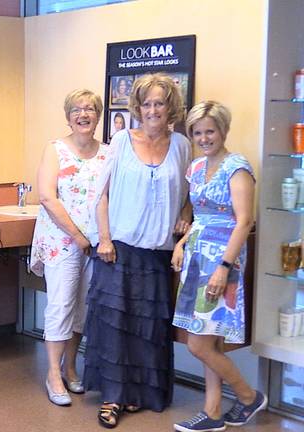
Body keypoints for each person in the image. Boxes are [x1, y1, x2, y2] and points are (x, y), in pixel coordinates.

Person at [84, 73, 192, 428]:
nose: (152, 110)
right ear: (137, 107)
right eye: (146, 103)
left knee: (148, 329)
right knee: (114, 327)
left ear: (170, 106)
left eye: (159, 103)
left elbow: (189, 198)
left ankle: (140, 395)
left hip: (157, 253)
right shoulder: (120, 141)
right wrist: (103, 239)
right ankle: (113, 397)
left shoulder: (181, 146)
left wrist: (184, 218)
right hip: (118, 249)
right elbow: (102, 195)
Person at [171, 101, 265, 432]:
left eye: (210, 130)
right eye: (198, 132)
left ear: (223, 130)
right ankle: (212, 413)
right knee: (206, 339)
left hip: (222, 261)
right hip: (197, 259)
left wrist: (224, 267)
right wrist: (182, 243)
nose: (204, 137)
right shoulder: (196, 167)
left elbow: (244, 221)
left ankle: (248, 395)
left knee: (199, 343)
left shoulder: (237, 167)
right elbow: (197, 216)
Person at [29, 89, 109, 407]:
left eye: (90, 109)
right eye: (77, 109)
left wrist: (101, 238)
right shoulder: (56, 149)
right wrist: (77, 235)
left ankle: (71, 368)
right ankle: (52, 373)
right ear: (68, 116)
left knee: (82, 309)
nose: (84, 114)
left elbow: (108, 197)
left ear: (98, 116)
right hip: (62, 240)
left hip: (94, 243)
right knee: (61, 305)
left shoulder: (107, 153)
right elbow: (48, 196)